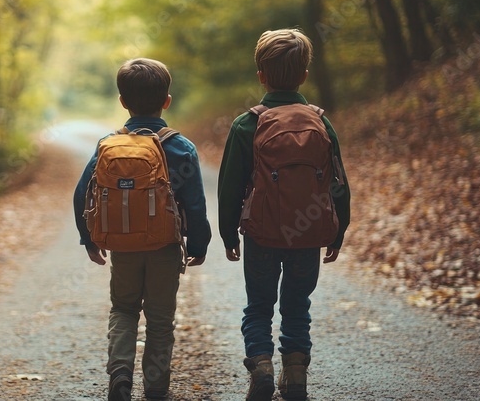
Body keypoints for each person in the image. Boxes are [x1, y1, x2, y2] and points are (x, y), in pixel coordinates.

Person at [218, 29, 351, 401]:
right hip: (308, 234)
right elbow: (338, 183)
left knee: (258, 305)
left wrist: (229, 234)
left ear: (261, 75)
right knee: (297, 305)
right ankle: (295, 376)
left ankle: (260, 367)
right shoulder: (321, 123)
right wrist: (338, 232)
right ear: (305, 75)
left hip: (261, 234)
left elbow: (229, 187)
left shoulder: (247, 125)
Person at [73, 58, 212, 401]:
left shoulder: (109, 144)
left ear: (123, 101)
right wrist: (199, 244)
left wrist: (88, 238)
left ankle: (120, 371)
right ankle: (155, 388)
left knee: (123, 309)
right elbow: (195, 203)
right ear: (167, 100)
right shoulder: (180, 147)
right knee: (161, 319)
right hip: (164, 245)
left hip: (123, 246)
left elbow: (82, 193)